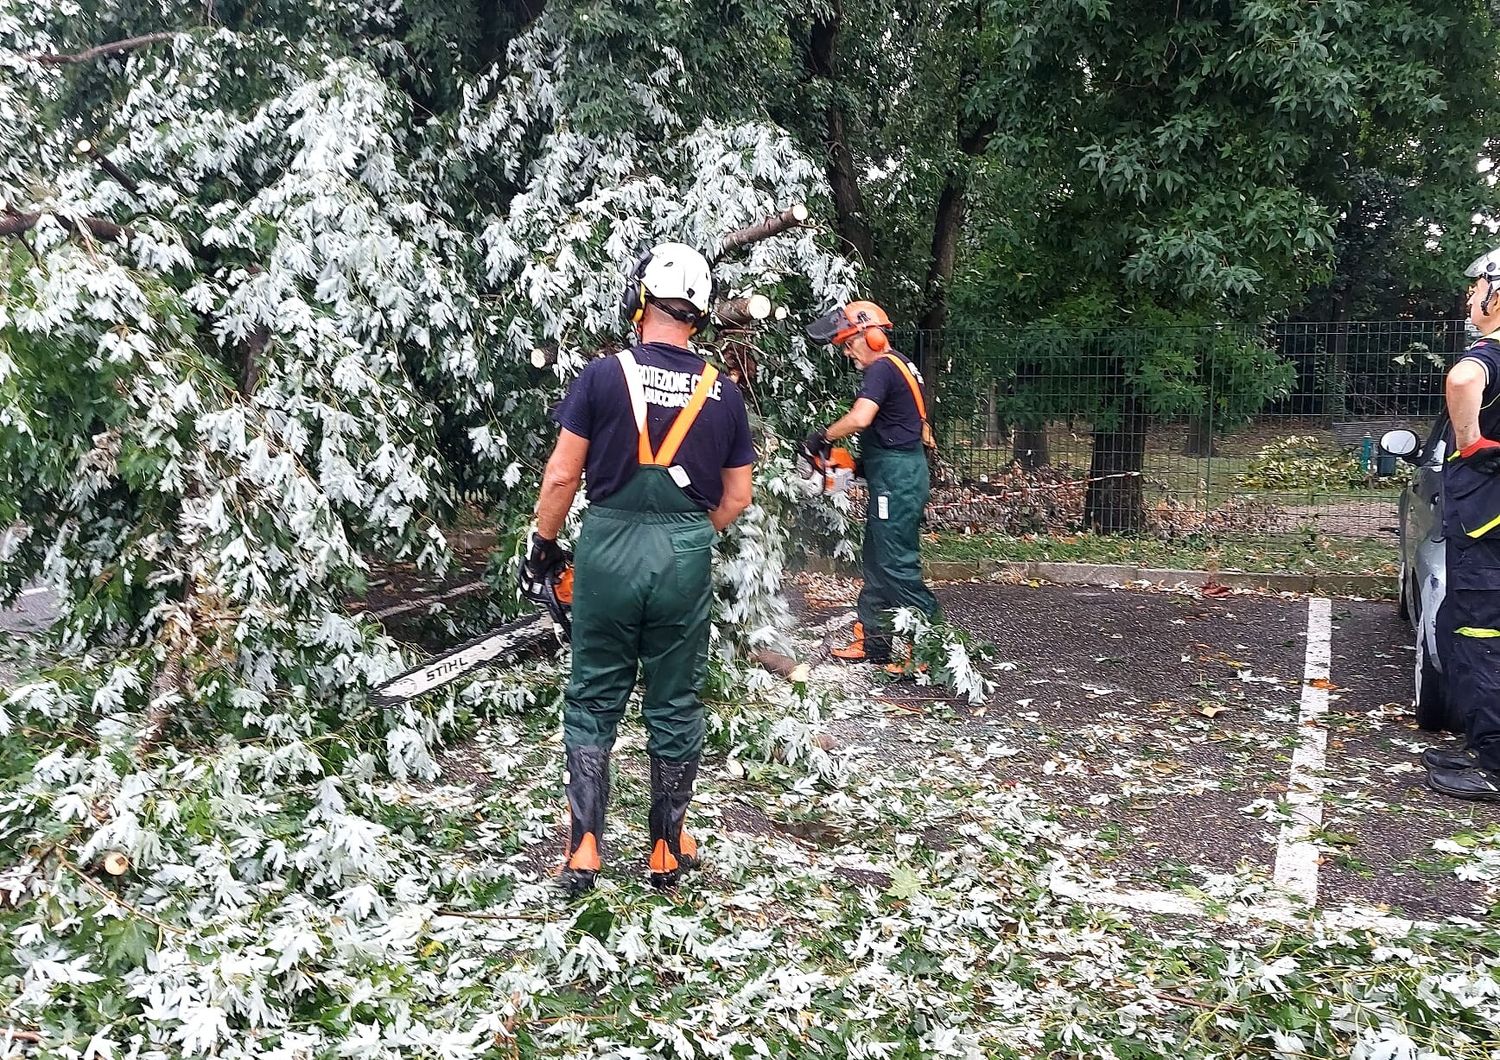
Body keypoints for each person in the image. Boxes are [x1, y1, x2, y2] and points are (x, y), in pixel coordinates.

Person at [521, 242, 756, 893]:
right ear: (699, 316)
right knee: (675, 701)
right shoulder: (723, 393)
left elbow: (563, 473)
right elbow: (738, 497)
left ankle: (585, 848)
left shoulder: (602, 376)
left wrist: (543, 547)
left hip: (608, 549)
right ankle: (664, 849)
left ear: (642, 298)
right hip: (683, 554)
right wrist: (684, 536)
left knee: (595, 695)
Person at [803, 301, 939, 664]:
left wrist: (824, 437)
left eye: (849, 344)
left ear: (872, 335)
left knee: (896, 564)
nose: (848, 353)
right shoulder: (899, 366)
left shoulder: (882, 367)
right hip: (896, 471)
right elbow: (898, 432)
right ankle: (874, 643)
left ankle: (928, 648)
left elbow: (862, 418)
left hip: (899, 479)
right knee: (878, 561)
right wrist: (854, 468)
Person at [1424, 246, 1500, 802]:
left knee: (1481, 634)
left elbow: (1461, 378)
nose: (1470, 298)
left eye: (1476, 289)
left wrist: (1470, 441)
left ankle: (1493, 762)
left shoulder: (1489, 353)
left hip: (1486, 526)